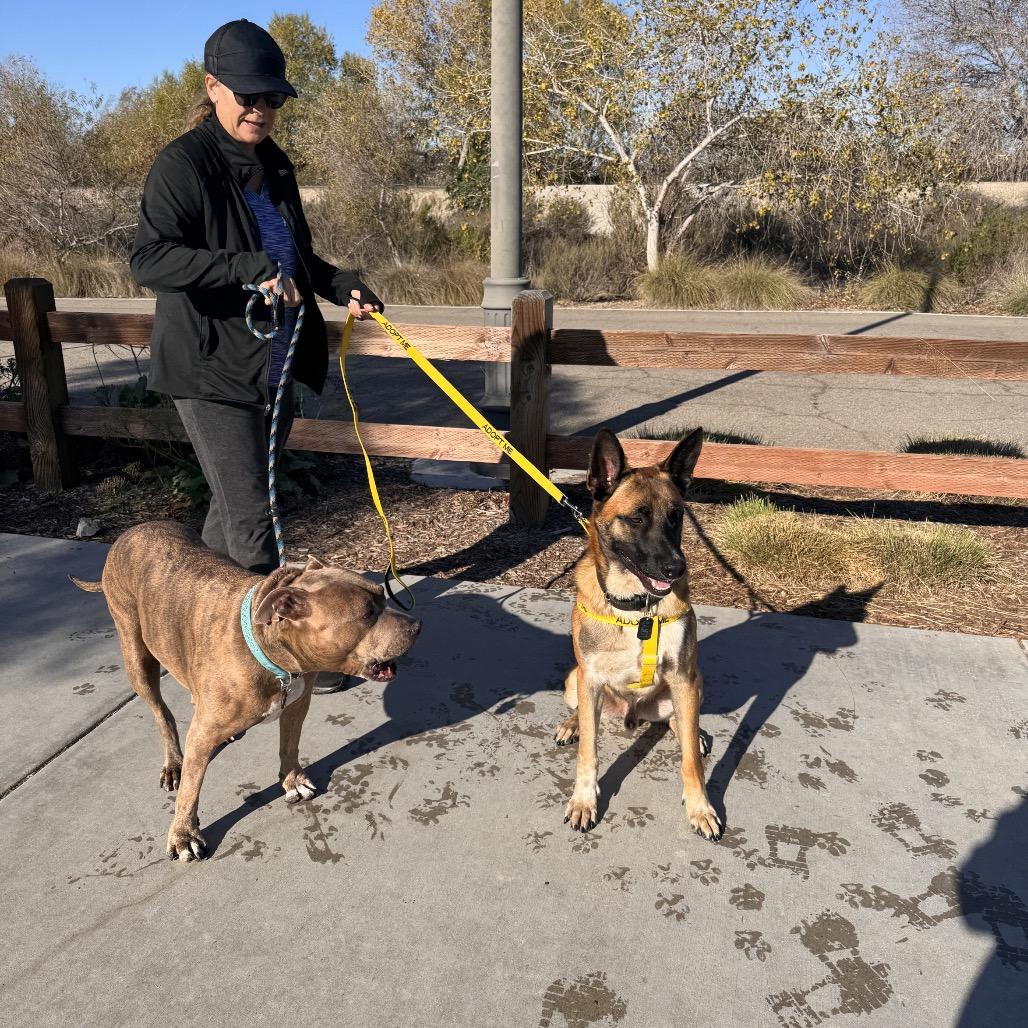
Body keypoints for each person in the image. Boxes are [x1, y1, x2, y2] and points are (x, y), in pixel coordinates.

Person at [130, 19, 382, 693]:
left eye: (270, 98)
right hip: (212, 370)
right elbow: (149, 259)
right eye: (245, 95)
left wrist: (341, 283)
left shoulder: (274, 166)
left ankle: (197, 627)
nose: (259, 109)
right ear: (212, 87)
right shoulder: (183, 165)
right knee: (253, 524)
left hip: (272, 368)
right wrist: (243, 267)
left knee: (228, 513)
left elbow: (297, 259)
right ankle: (295, 658)